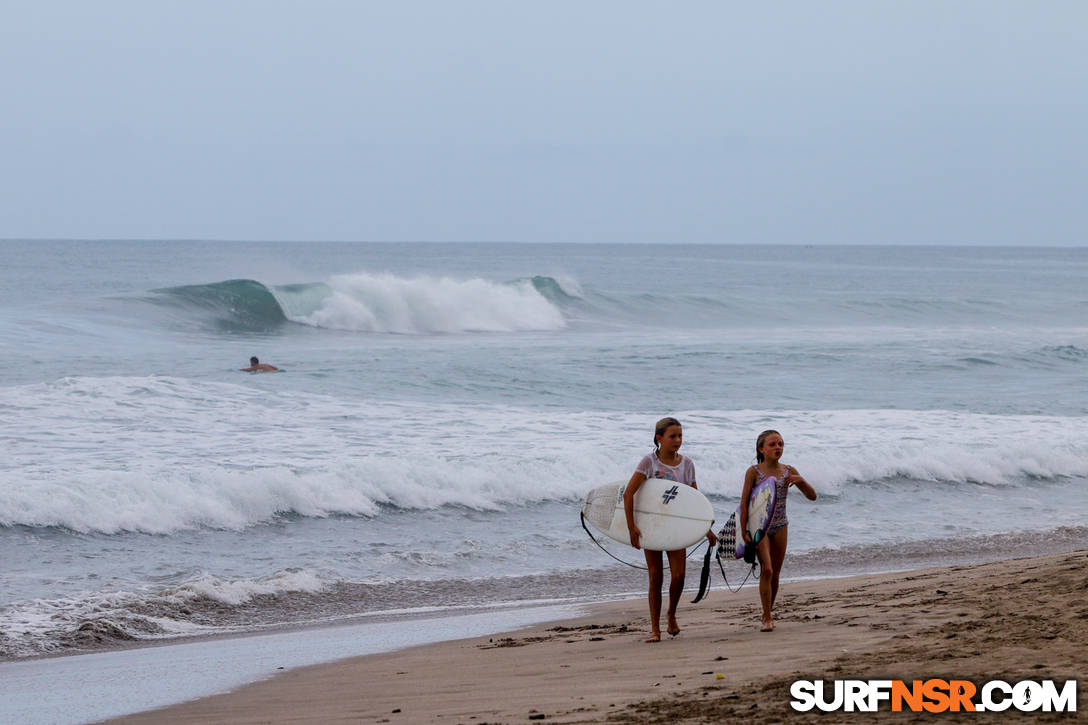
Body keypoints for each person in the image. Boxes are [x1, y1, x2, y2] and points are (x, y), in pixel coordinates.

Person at [624, 417, 716, 643]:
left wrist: (706, 528)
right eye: (672, 436)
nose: (678, 440)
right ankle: (655, 629)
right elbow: (629, 494)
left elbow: (695, 499)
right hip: (652, 526)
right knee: (656, 577)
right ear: (659, 438)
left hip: (675, 526)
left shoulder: (687, 464)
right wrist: (631, 527)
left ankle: (671, 614)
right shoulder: (649, 462)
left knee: (679, 576)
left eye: (680, 436)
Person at [739, 429, 817, 632]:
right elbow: (744, 503)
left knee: (775, 574)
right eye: (772, 444)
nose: (778, 447)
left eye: (781, 444)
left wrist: (801, 481)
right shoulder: (753, 472)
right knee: (767, 569)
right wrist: (744, 530)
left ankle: (768, 612)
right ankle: (767, 617)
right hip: (760, 527)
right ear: (761, 449)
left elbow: (812, 497)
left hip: (781, 525)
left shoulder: (788, 470)